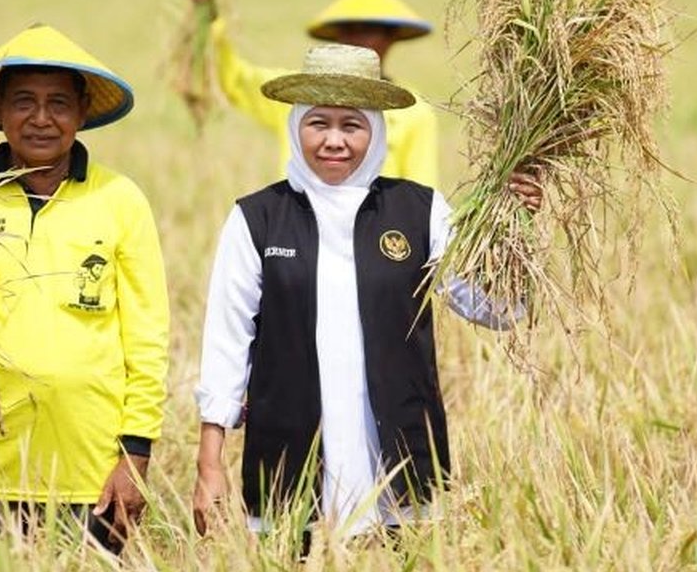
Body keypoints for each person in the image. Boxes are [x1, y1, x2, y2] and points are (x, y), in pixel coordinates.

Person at [192, 43, 540, 540]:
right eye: (318, 123)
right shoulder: (257, 218)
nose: (334, 141)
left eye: (351, 125)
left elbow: (494, 308)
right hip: (288, 469)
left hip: (400, 470)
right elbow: (226, 343)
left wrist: (514, 228)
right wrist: (209, 464)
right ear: (296, 126)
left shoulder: (421, 212)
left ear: (375, 130)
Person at [0, 24, 170, 553]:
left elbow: (147, 339)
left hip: (88, 473)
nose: (41, 118)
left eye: (58, 103)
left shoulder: (121, 201)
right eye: (24, 102)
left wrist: (135, 455)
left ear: (82, 112)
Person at [187, 0, 439, 186]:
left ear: (391, 37)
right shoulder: (294, 96)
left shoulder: (414, 113)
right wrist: (209, 15)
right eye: (347, 29)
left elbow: (421, 190)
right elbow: (232, 78)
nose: (355, 38)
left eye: (368, 30)